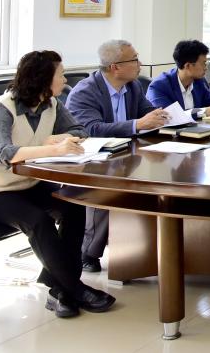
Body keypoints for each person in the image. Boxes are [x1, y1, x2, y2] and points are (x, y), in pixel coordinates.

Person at [0, 50, 116, 318]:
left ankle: (59, 290)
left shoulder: (52, 104)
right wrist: (52, 148)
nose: (65, 79)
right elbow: (2, 153)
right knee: (39, 221)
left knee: (75, 205)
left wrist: (58, 139)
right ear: (43, 79)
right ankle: (75, 289)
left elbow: (79, 131)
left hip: (27, 183)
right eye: (61, 74)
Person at [66, 39, 170, 272]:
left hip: (127, 154)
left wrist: (161, 116)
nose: (140, 64)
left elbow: (146, 112)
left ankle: (145, 246)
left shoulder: (133, 86)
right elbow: (90, 129)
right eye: (135, 59)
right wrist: (136, 124)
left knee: (160, 178)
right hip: (93, 158)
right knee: (110, 190)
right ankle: (88, 253)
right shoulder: (85, 91)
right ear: (115, 67)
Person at [146, 39, 210, 119]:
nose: (206, 68)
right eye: (203, 63)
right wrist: (204, 112)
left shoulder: (199, 81)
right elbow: (169, 117)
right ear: (188, 66)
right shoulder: (158, 86)